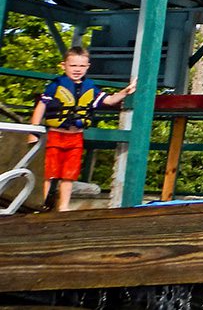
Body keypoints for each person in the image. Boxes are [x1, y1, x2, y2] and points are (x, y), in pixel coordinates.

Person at [26, 46, 135, 212]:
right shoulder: (55, 86)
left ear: (87, 67)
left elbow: (110, 101)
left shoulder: (90, 87)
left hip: (76, 137)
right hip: (56, 135)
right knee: (50, 172)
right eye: (73, 66)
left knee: (68, 175)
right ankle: (44, 204)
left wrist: (125, 92)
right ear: (64, 65)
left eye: (81, 66)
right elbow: (41, 107)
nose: (77, 70)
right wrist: (32, 133)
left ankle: (63, 206)